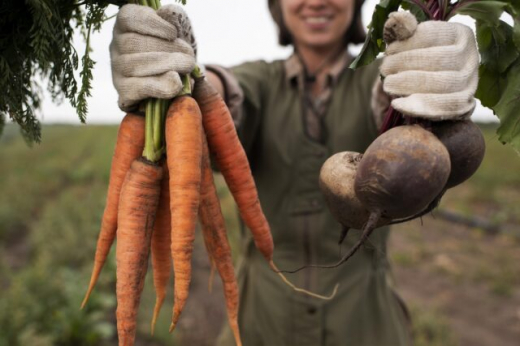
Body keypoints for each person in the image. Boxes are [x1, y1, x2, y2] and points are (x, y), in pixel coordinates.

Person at [110, 1, 478, 345]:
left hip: (365, 322)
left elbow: (389, 96)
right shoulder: (260, 80)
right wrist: (182, 79)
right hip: (261, 322)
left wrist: (423, 83)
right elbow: (228, 96)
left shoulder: (377, 79)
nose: (315, 2)